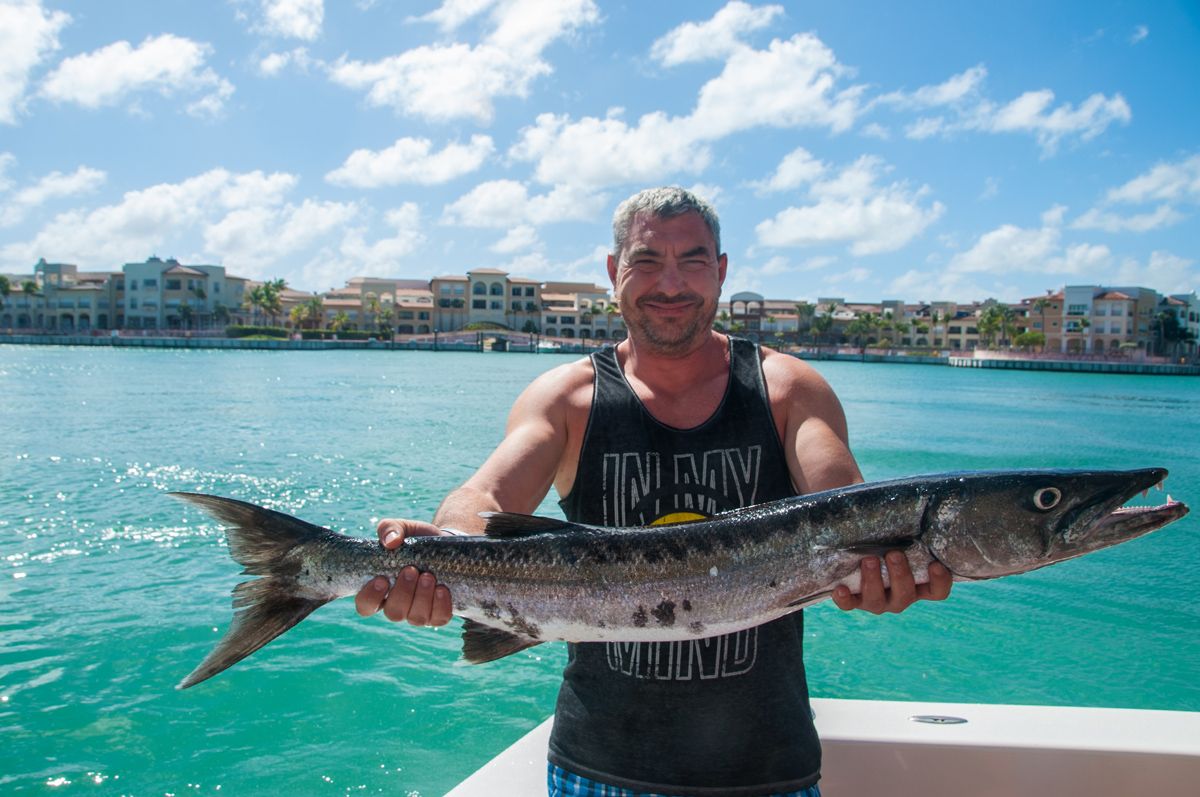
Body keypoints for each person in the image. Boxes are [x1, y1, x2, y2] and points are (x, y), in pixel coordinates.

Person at [355, 187, 953, 797]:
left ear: (721, 272)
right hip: (596, 770)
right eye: (646, 261)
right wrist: (447, 548)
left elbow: (851, 511)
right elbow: (484, 495)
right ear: (614, 272)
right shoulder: (567, 400)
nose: (671, 284)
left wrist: (885, 567)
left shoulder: (787, 390)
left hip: (769, 773)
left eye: (693, 260)